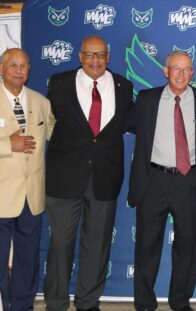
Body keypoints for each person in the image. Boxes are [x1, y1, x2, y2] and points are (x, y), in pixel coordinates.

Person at [43, 35, 133, 311]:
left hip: (105, 179)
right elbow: (46, 124)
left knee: (97, 245)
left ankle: (88, 301)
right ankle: (56, 303)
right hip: (64, 179)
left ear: (108, 57)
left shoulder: (123, 85)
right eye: (90, 55)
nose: (95, 60)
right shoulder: (58, 83)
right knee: (60, 245)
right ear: (80, 56)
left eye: (100, 55)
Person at [127, 51, 196, 311]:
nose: (180, 73)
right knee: (147, 246)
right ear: (165, 71)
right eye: (175, 68)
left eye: (186, 69)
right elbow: (131, 126)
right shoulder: (146, 99)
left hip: (188, 183)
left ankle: (180, 302)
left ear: (192, 73)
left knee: (186, 247)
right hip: (153, 180)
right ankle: (144, 302)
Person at [0, 48, 54, 311]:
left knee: (27, 258)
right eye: (13, 65)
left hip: (31, 196)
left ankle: (21, 306)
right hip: (1, 195)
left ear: (29, 69)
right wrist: (7, 144)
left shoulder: (41, 102)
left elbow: (58, 137)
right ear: (2, 69)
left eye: (24, 65)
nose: (19, 70)